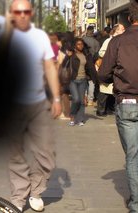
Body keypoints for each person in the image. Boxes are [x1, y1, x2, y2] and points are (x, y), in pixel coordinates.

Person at [0, 0, 61, 211]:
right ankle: (18, 198)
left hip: (38, 103)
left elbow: (49, 66)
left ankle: (37, 189)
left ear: (30, 13)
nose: (22, 15)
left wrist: (57, 98)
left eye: (25, 11)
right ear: (12, 13)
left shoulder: (40, 36)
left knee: (46, 154)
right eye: (17, 12)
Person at [98, 1, 138, 212]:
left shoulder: (118, 41)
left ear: (129, 19)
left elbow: (103, 74)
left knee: (133, 156)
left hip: (128, 102)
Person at [96, 23, 125, 117]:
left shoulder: (123, 40)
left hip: (117, 69)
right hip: (108, 68)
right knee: (104, 91)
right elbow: (101, 53)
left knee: (112, 90)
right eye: (122, 29)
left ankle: (110, 108)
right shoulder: (109, 41)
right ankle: (101, 110)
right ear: (117, 31)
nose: (124, 31)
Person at [67, 38, 97, 126]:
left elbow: (90, 68)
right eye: (78, 44)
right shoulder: (71, 55)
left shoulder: (86, 55)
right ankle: (72, 116)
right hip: (73, 80)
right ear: (75, 45)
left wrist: (95, 78)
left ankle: (80, 119)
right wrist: (68, 56)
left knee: (81, 101)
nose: (80, 46)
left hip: (83, 80)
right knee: (75, 99)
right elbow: (65, 65)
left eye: (82, 44)